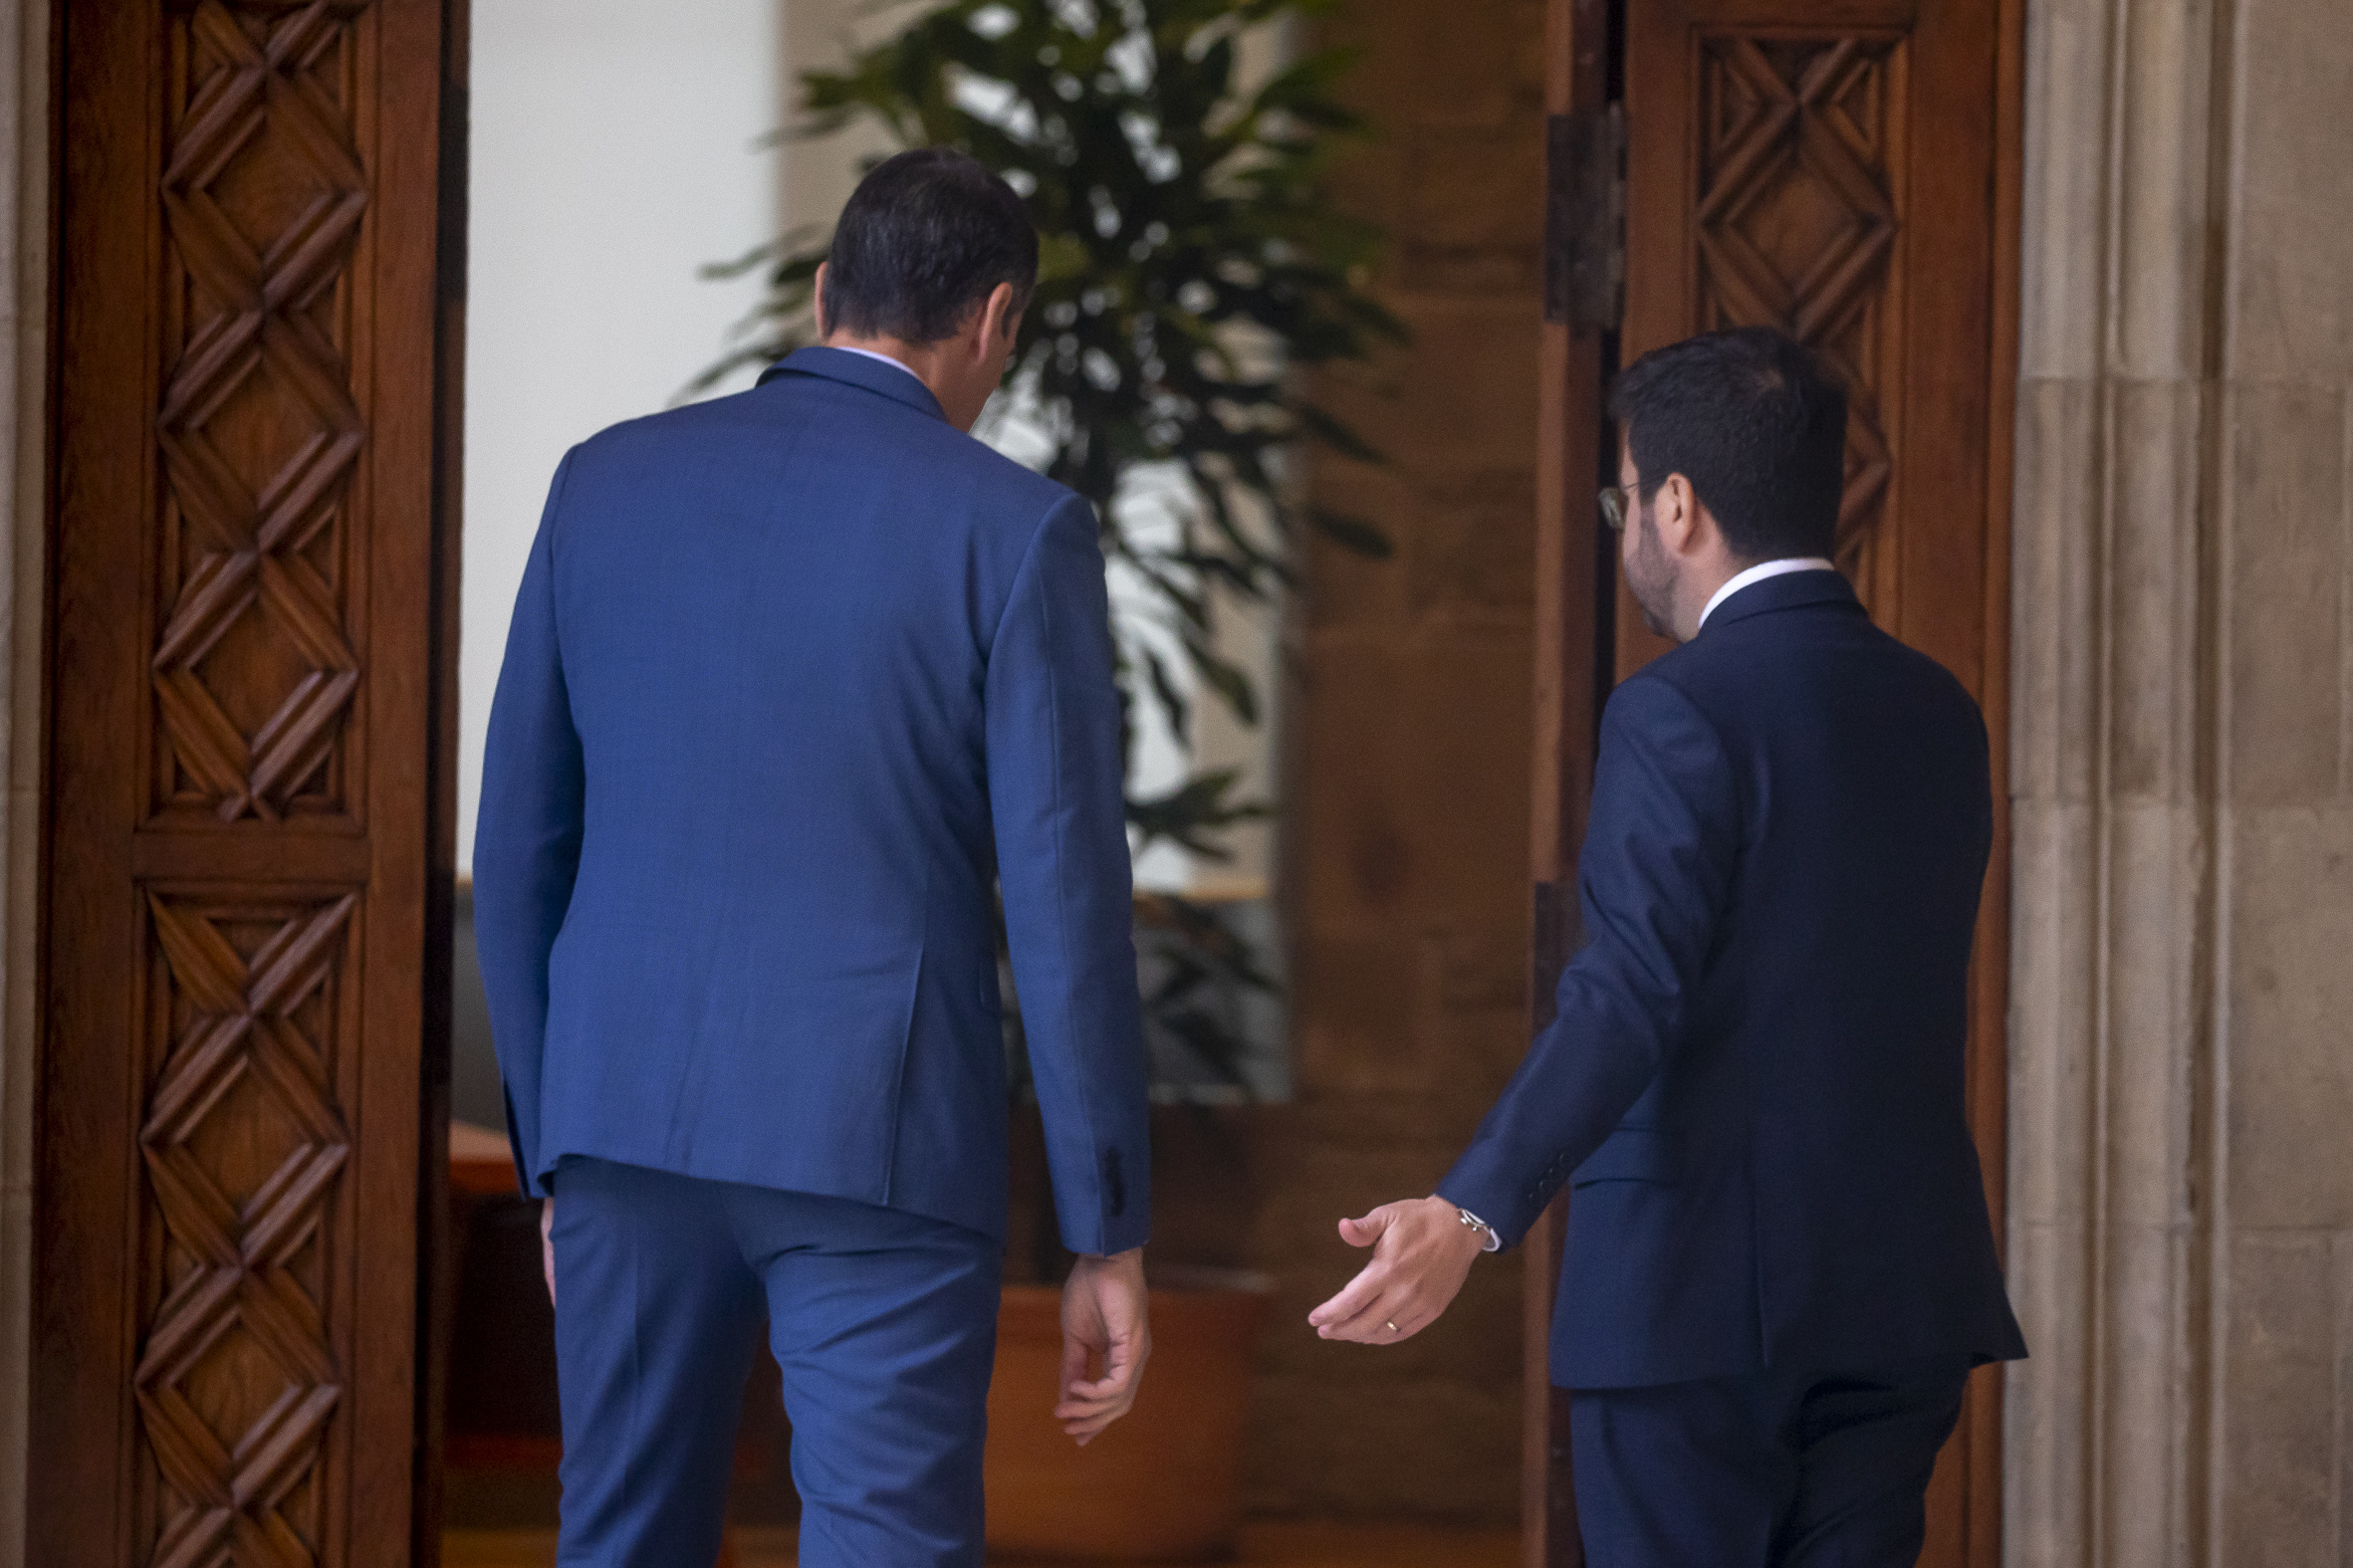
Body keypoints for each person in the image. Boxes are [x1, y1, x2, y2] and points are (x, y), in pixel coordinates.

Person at [474, 148, 1153, 1568]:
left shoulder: (599, 485)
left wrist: (555, 1156)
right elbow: (1062, 902)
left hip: (622, 1128)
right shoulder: (1017, 531)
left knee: (619, 1542)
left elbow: (519, 842)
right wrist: (1105, 1227)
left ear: (820, 290)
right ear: (994, 323)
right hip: (877, 1141)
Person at [1308, 327, 2025, 1565]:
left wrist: (1468, 1211)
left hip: (1692, 1310)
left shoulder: (1675, 708)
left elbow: (1626, 994)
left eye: (1625, 496)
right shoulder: (1936, 710)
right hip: (1897, 1291)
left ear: (1679, 506)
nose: (1623, 521)